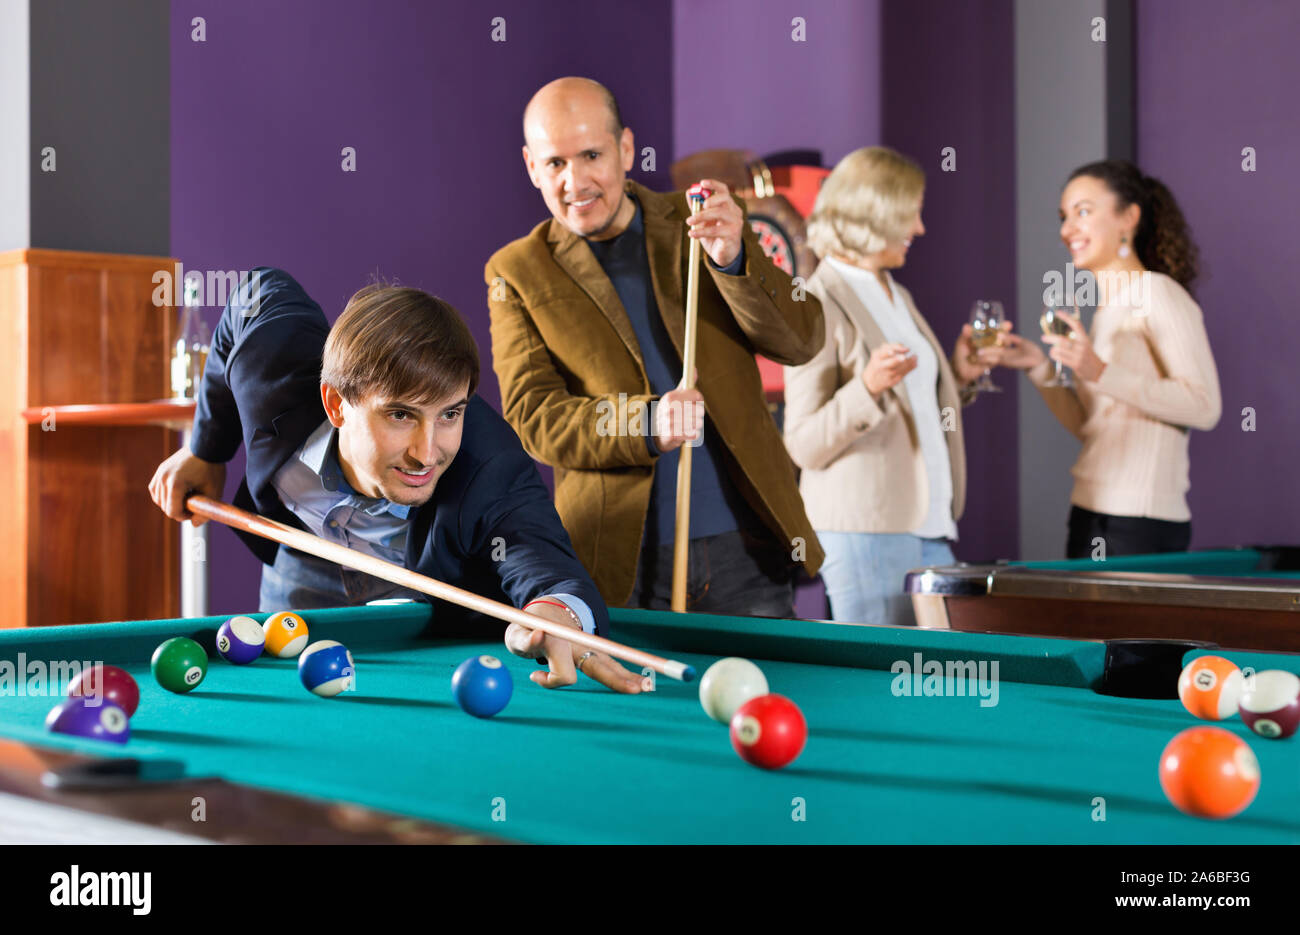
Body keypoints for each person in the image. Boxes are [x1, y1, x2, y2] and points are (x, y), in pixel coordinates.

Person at [149, 268, 645, 692]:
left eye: (450, 413)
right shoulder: (277, 359)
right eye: (401, 416)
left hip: (420, 613)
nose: (427, 453)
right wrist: (205, 452)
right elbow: (251, 296)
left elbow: (544, 564)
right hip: (302, 561)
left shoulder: (489, 470)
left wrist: (558, 612)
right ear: (336, 404)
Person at [486, 77, 825, 617]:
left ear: (625, 149)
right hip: (619, 558)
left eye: (591, 154)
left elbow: (801, 338)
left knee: (757, 702)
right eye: (555, 163)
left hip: (747, 551)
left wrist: (735, 261)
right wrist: (644, 424)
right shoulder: (517, 271)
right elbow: (535, 419)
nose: (574, 180)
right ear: (531, 166)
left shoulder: (701, 225)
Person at [782, 147, 990, 626]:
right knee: (884, 681)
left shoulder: (895, 292)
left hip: (928, 522)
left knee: (931, 678)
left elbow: (911, 403)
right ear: (873, 215)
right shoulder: (817, 299)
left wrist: (957, 374)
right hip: (865, 531)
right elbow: (804, 442)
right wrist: (867, 388)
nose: (918, 228)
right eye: (909, 214)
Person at [991, 159, 1221, 557]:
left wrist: (1099, 370)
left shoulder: (1157, 293)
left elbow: (1205, 407)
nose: (1067, 230)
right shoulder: (1105, 311)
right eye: (1063, 217)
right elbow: (1091, 428)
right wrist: (1039, 367)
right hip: (1089, 511)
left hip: (1140, 524)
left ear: (1128, 217)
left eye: (1083, 212)